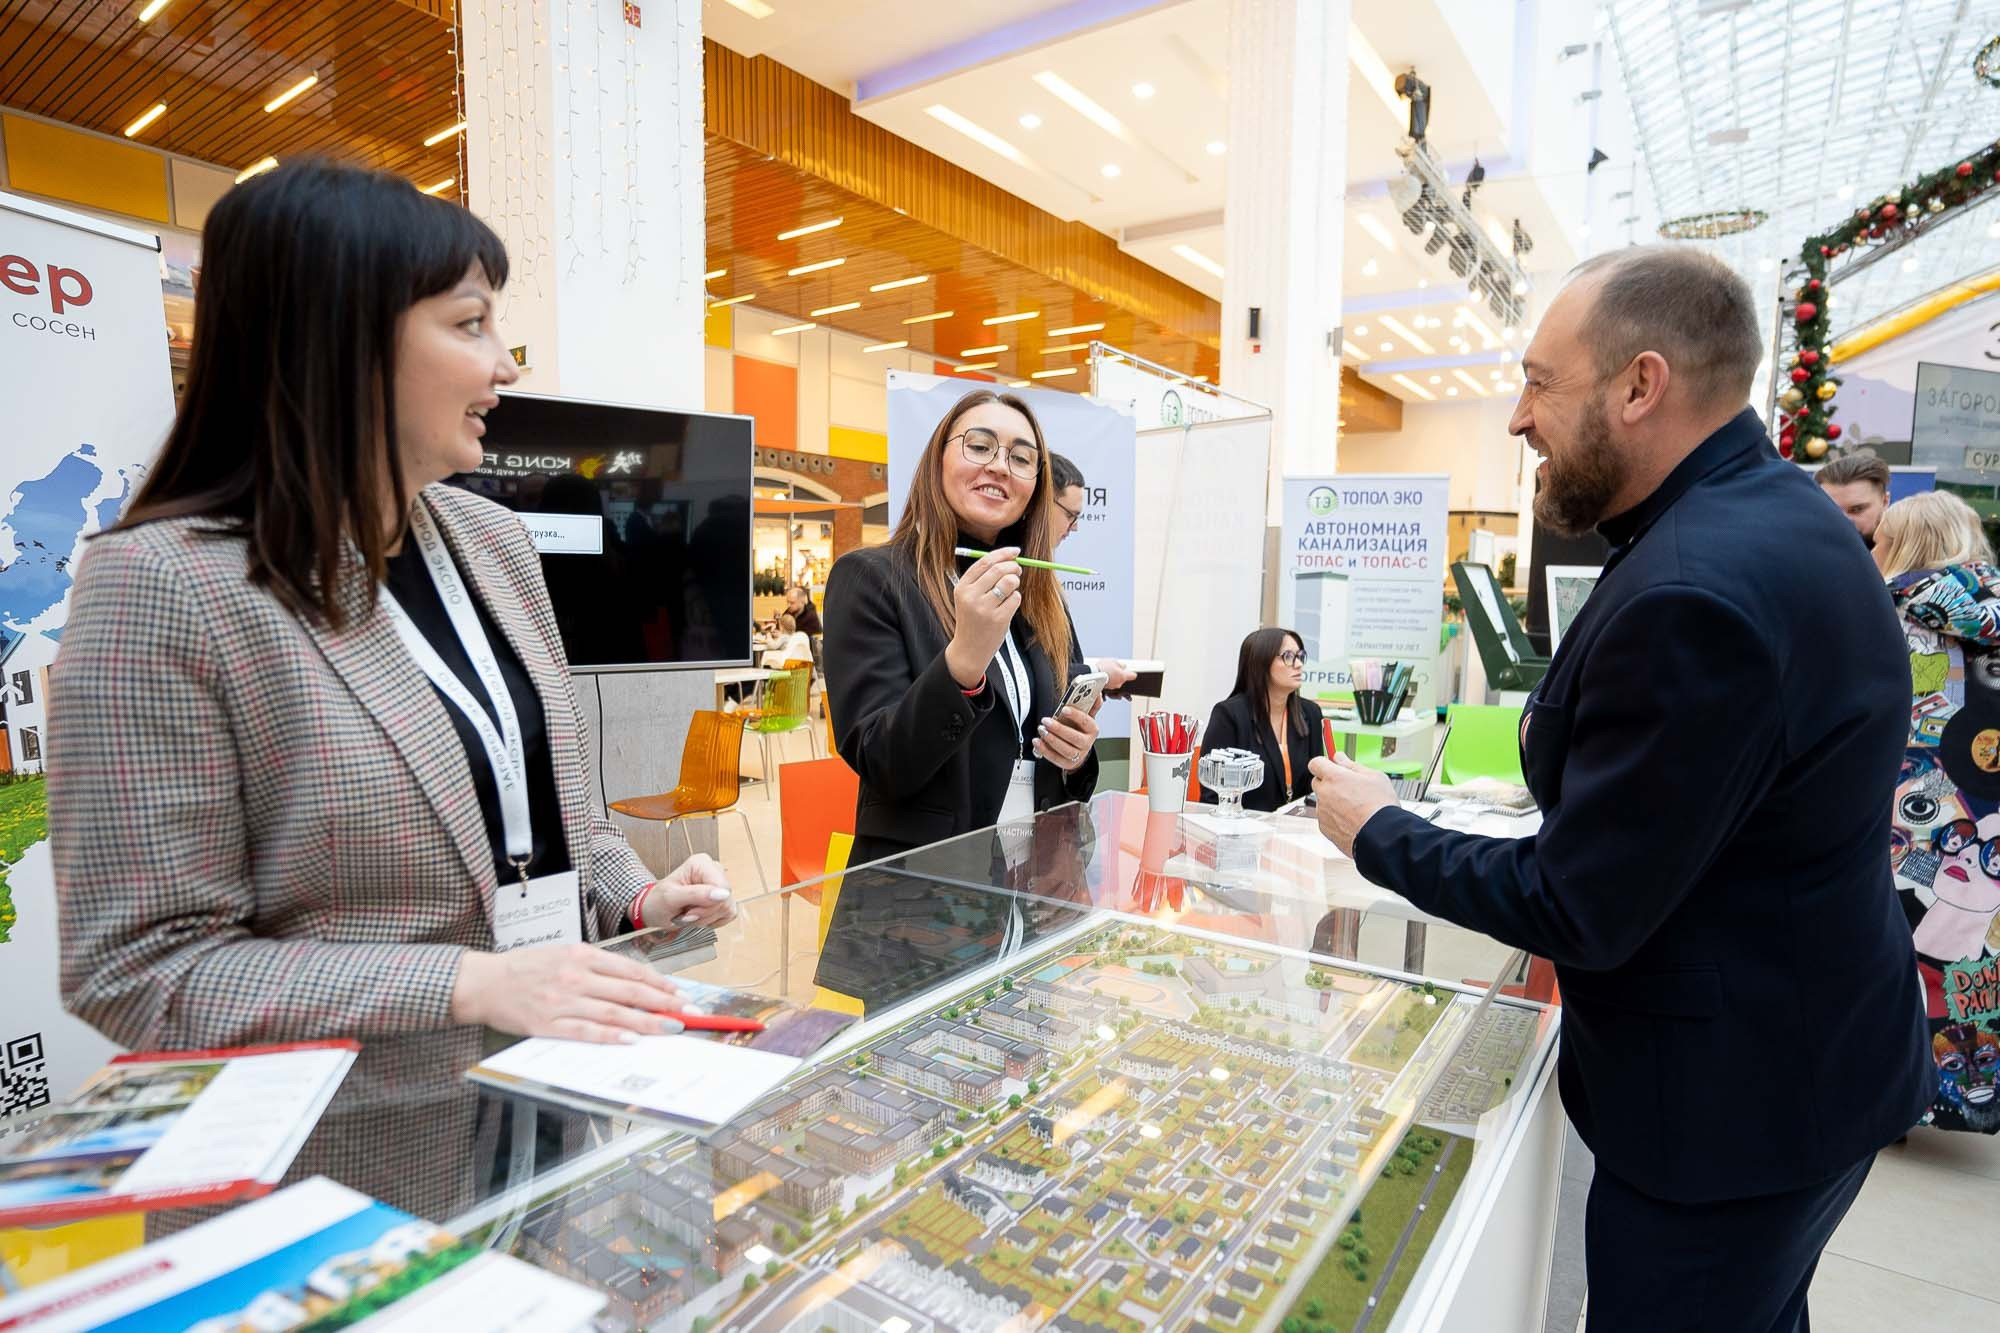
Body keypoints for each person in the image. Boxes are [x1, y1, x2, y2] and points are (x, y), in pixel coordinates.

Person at [46, 161, 735, 1222]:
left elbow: (549, 809)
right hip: (337, 1167)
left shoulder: (491, 541)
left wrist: (631, 893)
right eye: (469, 324)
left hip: (550, 1096)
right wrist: (463, 983)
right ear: (340, 338)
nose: (504, 365)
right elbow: (141, 969)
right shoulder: (165, 584)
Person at [1307, 246, 1930, 1332]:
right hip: (1810, 1064)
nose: (1514, 418)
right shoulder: (1779, 520)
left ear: (1639, 385)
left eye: (1539, 382)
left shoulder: (1693, 589)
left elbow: (1579, 905)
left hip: (1727, 1113)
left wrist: (1379, 831)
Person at [823, 389, 1099, 868]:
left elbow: (1055, 743)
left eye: (1021, 457)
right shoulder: (871, 578)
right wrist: (964, 660)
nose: (999, 466)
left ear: (1035, 484)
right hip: (928, 897)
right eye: (979, 445)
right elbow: (880, 761)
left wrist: (1075, 754)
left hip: (1037, 878)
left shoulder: (1041, 593)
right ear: (938, 459)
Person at [1873, 492, 2000, 1134]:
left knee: (1885, 959)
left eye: (1881, 540)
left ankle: (1889, 1097)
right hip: (1983, 829)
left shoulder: (1884, 616)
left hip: (1895, 819)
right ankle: (1958, 1089)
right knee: (1970, 960)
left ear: (1906, 548)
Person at [1197, 627, 1324, 812]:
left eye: (1300, 656)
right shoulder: (1229, 716)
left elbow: (1316, 785)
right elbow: (1212, 798)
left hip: (1297, 829)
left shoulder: (1311, 713)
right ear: (1261, 663)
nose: (1298, 664)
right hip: (1245, 832)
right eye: (1288, 656)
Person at [1048, 450, 1138, 695]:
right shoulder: (1014, 574)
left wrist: (1096, 677)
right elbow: (1036, 677)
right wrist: (1096, 672)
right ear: (1043, 503)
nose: (1074, 526)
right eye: (1070, 515)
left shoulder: (1041, 575)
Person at [1816, 449, 1891, 548]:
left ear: (1885, 501)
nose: (1844, 521)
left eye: (1857, 509)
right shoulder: (1801, 553)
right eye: (1832, 511)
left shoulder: (1910, 556)